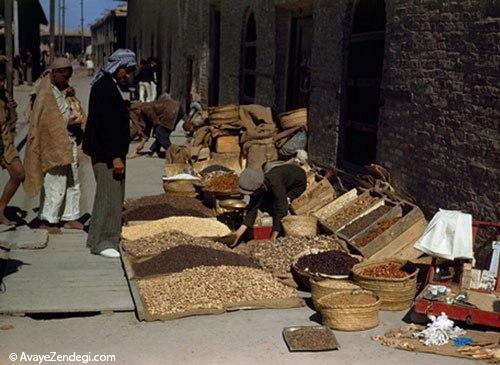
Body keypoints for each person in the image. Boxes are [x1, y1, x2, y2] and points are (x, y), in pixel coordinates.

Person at [83, 49, 137, 258]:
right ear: (118, 67)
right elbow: (105, 126)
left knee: (110, 197)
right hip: (107, 155)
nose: (127, 74)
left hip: (110, 153)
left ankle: (98, 238)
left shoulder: (108, 85)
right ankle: (104, 242)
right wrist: (115, 156)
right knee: (109, 197)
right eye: (126, 70)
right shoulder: (104, 87)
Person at [23, 58, 84, 234]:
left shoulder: (58, 88)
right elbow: (46, 120)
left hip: (67, 141)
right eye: (65, 77)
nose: (67, 80)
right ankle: (48, 219)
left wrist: (67, 93)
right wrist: (68, 122)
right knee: (55, 182)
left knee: (73, 180)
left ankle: (70, 216)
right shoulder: (44, 92)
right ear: (55, 73)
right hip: (53, 144)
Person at [231, 164, 307, 247]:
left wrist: (272, 238)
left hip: (297, 184)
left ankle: (280, 232)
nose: (250, 195)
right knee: (264, 202)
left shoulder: (276, 185)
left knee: (282, 204)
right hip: (282, 175)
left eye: (251, 193)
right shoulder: (259, 186)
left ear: (259, 187)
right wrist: (238, 233)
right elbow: (253, 208)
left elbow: (281, 210)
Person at [0, 74, 25, 225]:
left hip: (5, 141)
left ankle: (1, 208)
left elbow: (11, 122)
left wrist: (11, 109)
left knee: (19, 173)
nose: (2, 83)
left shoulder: (3, 95)